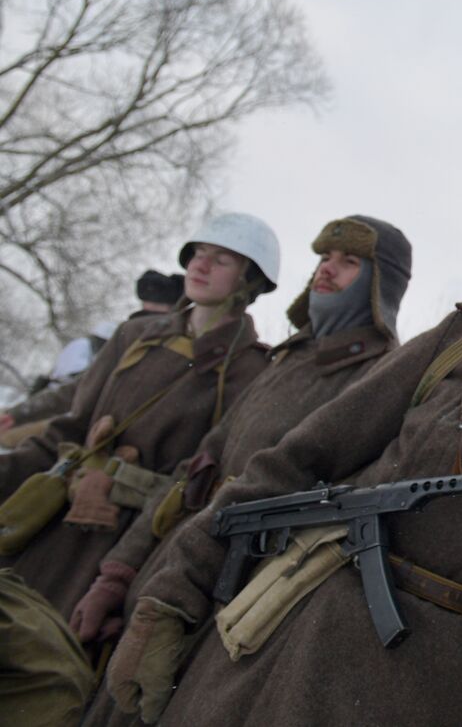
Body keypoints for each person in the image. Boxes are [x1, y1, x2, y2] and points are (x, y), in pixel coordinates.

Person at [104, 170, 462, 725]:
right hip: (268, 640)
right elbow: (293, 463)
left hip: (425, 694)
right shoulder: (458, 342)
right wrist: (173, 592)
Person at [69, 215, 412, 665]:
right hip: (169, 563)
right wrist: (117, 575)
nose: (326, 269)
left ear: (380, 282)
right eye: (324, 257)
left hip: (232, 596)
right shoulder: (289, 357)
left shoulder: (377, 378)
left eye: (349, 261)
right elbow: (193, 469)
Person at [0, 213, 278, 620]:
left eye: (220, 260)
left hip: (123, 548)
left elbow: (193, 481)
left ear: (249, 280)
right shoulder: (134, 336)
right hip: (51, 520)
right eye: (198, 254)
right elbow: (67, 430)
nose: (200, 266)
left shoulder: (252, 370)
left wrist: (116, 576)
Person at [0, 271, 182, 444]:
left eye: (154, 315)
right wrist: (18, 414)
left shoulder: (178, 350)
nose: (146, 324)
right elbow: (80, 388)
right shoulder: (126, 340)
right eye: (144, 314)